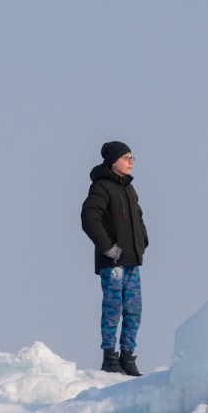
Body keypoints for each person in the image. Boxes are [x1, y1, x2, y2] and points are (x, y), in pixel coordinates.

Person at [81, 141, 149, 376]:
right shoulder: (101, 187)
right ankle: (110, 358)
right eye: (126, 157)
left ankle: (128, 358)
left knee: (134, 309)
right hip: (113, 263)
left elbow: (138, 217)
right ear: (113, 161)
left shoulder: (129, 188)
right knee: (113, 308)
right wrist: (108, 248)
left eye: (132, 157)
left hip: (132, 261)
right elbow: (90, 219)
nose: (131, 161)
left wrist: (143, 241)